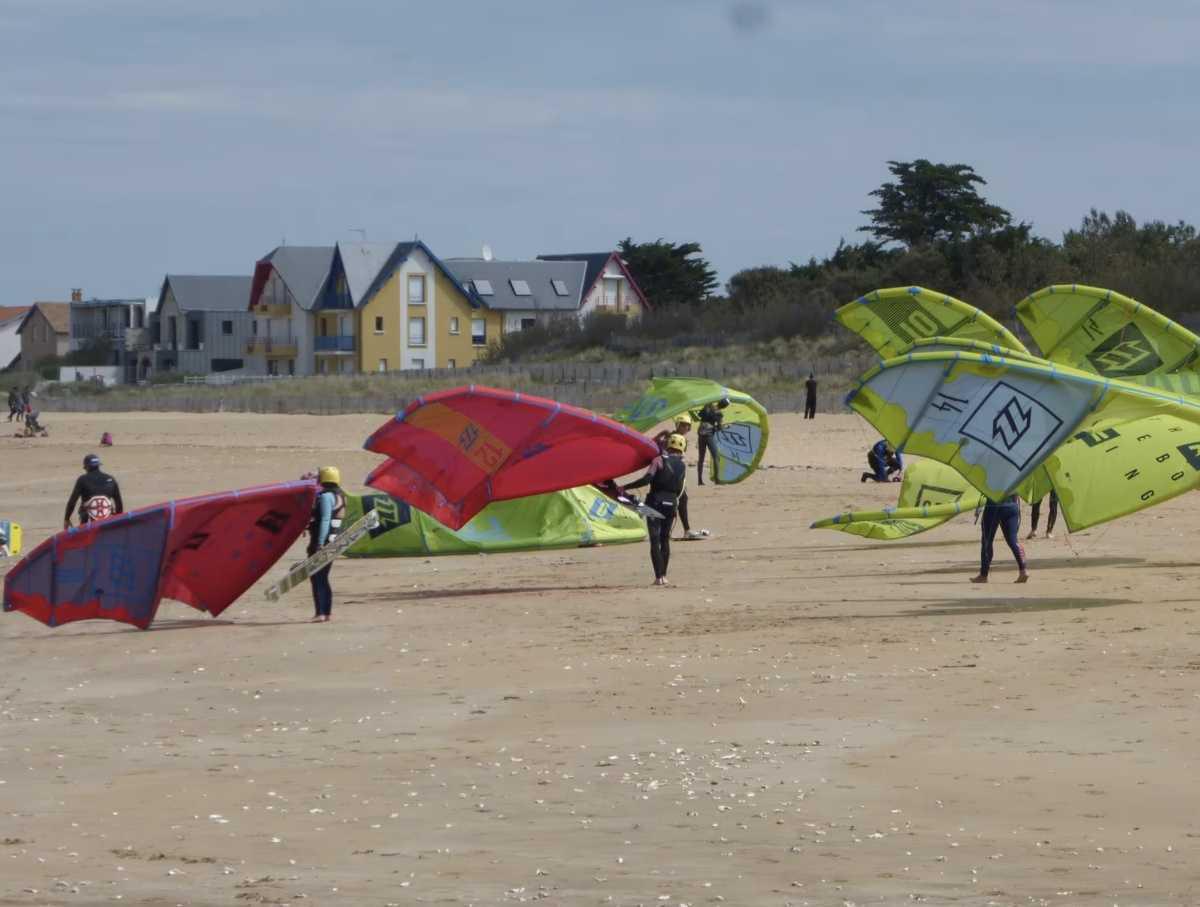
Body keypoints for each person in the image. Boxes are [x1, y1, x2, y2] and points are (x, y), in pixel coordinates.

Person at [623, 432, 687, 586]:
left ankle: (658, 577)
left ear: (668, 445)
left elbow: (647, 480)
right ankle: (664, 576)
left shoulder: (658, 460)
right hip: (672, 504)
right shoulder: (682, 465)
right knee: (665, 540)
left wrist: (626, 486)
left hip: (654, 502)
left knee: (654, 540)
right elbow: (679, 489)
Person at [652, 413, 703, 539]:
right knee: (669, 502)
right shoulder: (670, 437)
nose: (686, 428)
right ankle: (668, 531)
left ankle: (683, 530)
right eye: (683, 425)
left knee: (681, 501)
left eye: (688, 426)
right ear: (678, 425)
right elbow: (652, 444)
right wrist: (661, 434)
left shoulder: (684, 439)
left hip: (678, 474)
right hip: (665, 473)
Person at [308, 465, 345, 622]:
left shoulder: (325, 497)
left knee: (317, 577)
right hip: (335, 541)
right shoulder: (341, 496)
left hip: (323, 542)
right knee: (323, 577)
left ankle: (320, 613)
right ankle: (326, 612)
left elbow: (324, 520)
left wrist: (320, 543)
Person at [971, 495, 1029, 584]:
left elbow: (985, 487)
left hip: (993, 507)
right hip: (1012, 506)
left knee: (987, 541)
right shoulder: (1014, 479)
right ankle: (1023, 570)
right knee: (1013, 541)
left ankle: (983, 575)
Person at [64, 454, 123, 529]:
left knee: (84, 508)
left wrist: (67, 519)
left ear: (86, 467)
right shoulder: (111, 479)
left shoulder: (82, 480)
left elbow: (72, 502)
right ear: (98, 465)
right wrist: (118, 522)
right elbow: (119, 504)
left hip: (88, 523)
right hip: (107, 521)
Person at [694, 398, 728, 486]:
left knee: (701, 458)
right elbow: (719, 428)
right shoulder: (719, 414)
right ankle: (717, 480)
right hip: (709, 436)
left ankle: (699, 481)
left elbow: (699, 415)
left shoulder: (707, 407)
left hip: (701, 435)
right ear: (724, 407)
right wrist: (725, 427)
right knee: (716, 457)